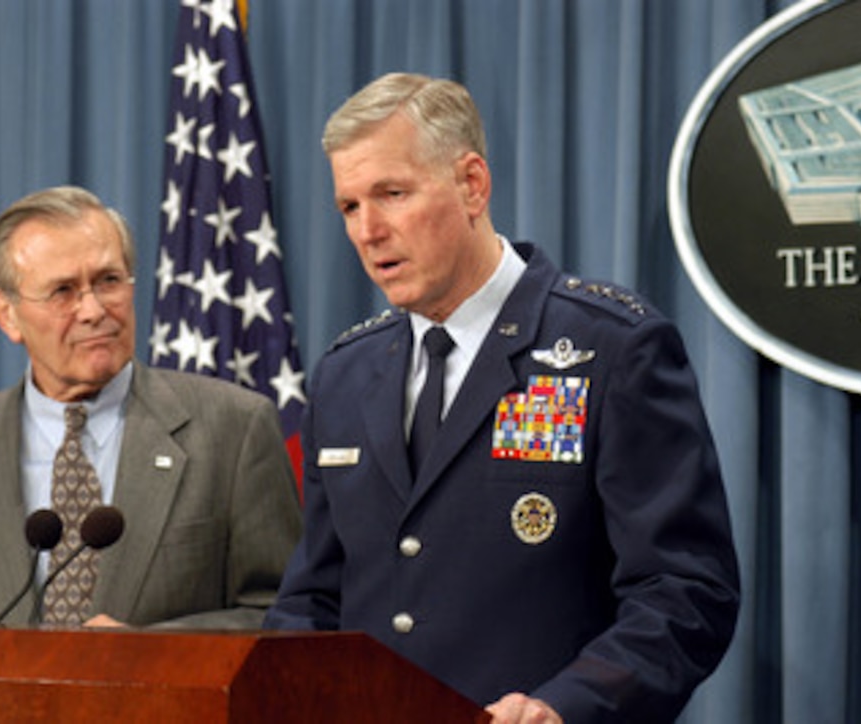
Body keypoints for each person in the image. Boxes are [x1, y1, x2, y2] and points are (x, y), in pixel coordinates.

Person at [264, 73, 739, 723]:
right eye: (349, 207)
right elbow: (311, 600)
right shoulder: (343, 375)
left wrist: (565, 705)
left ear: (472, 184)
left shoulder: (611, 348)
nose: (368, 231)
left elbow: (685, 591)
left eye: (392, 194)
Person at [0, 185, 302, 629]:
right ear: (7, 313)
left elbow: (282, 617)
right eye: (63, 291)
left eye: (108, 281)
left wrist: (151, 653)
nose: (93, 310)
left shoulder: (233, 431)